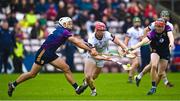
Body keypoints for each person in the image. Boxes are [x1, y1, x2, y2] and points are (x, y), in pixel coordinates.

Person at [8, 17, 97, 97]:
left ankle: (77, 88)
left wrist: (88, 45)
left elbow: (77, 40)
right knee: (32, 74)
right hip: (43, 53)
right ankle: (13, 85)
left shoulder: (62, 30)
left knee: (66, 68)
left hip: (50, 53)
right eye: (68, 23)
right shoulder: (64, 31)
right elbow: (76, 42)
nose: (70, 25)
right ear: (63, 24)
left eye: (70, 23)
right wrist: (89, 49)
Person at [77, 21, 129, 96]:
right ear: (96, 30)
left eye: (103, 30)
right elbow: (94, 54)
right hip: (92, 56)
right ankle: (93, 91)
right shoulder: (91, 39)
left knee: (95, 76)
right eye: (100, 31)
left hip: (103, 54)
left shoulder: (107, 34)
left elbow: (118, 42)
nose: (102, 32)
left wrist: (125, 48)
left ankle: (86, 83)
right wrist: (105, 59)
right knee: (88, 76)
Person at [130, 18, 174, 95]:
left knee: (160, 73)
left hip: (165, 51)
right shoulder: (153, 32)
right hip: (155, 50)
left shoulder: (168, 28)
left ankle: (152, 86)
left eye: (160, 27)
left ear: (164, 26)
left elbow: (171, 36)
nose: (158, 28)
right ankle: (153, 85)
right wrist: (134, 47)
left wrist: (171, 43)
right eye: (157, 26)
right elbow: (144, 41)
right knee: (153, 65)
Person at [124, 17, 144, 83]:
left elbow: (143, 40)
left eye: (138, 22)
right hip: (131, 49)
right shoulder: (130, 30)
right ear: (133, 23)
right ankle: (130, 78)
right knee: (136, 63)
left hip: (138, 50)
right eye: (136, 22)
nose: (137, 23)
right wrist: (124, 48)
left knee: (135, 64)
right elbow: (126, 40)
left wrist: (142, 38)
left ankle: (128, 68)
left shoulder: (141, 30)